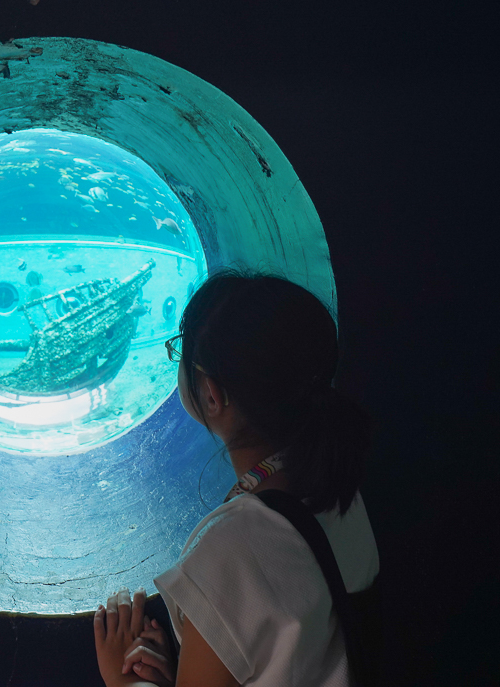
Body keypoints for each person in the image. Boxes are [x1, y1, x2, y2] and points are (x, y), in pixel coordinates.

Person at [94, 270, 379, 686]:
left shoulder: (230, 553)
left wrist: (128, 682)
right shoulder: (341, 489)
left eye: (180, 353)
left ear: (212, 394)